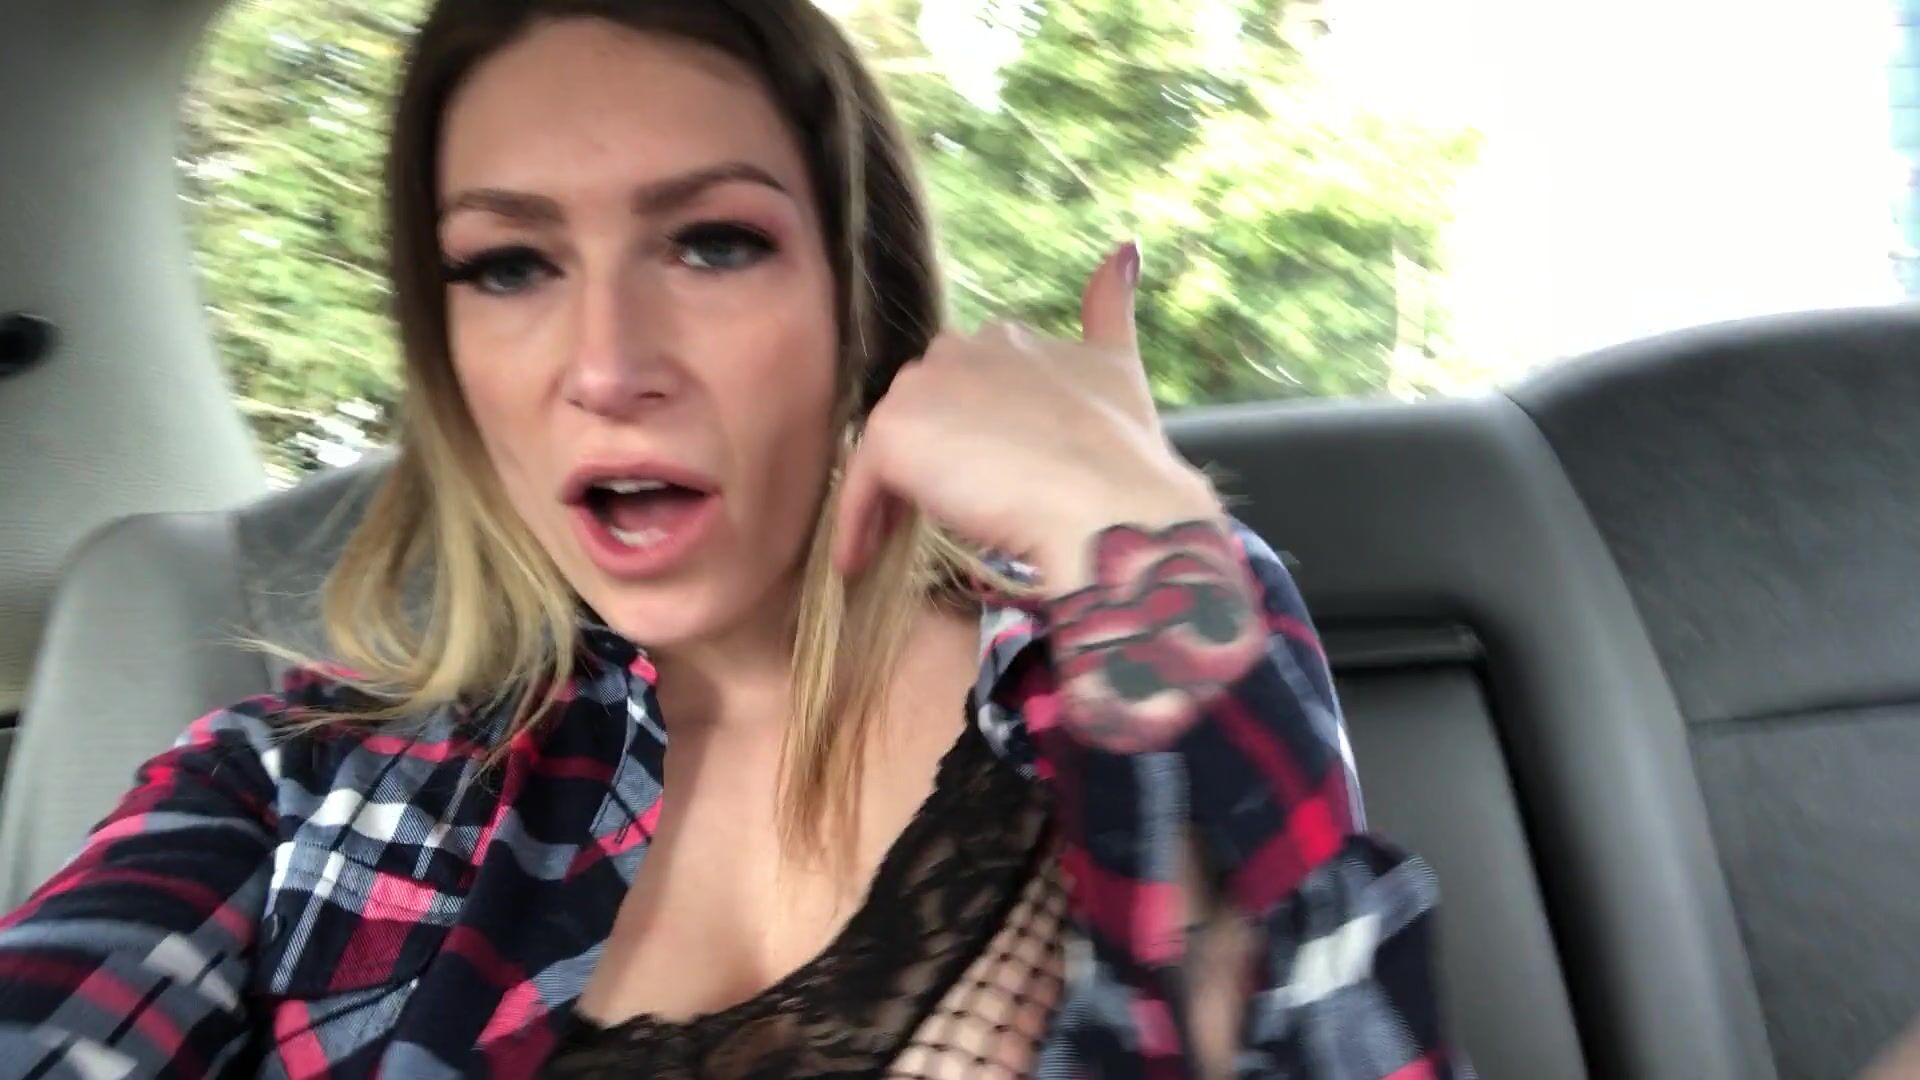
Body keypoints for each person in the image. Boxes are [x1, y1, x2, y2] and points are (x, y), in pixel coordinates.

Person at [0, 1, 1458, 1075]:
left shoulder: (1128, 632)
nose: (607, 364)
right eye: (508, 266)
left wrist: (1133, 521)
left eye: (713, 243)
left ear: (857, 301)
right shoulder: (289, 794)